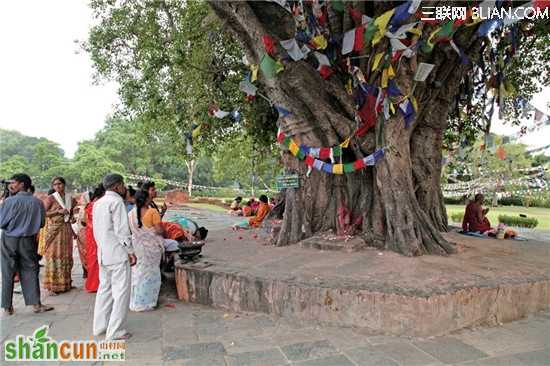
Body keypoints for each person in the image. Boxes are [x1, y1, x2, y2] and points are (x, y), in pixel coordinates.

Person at [0, 174, 53, 315]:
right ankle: (36, 304)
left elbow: (1, 222)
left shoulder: (9, 202)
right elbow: (41, 223)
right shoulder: (37, 202)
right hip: (28, 240)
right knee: (30, 270)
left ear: (22, 184)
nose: (12, 185)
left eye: (14, 183)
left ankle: (7, 307)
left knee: (7, 271)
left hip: (9, 239)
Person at [93, 174, 136, 340]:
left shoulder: (98, 203)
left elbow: (98, 230)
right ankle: (116, 331)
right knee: (121, 293)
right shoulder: (116, 202)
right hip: (117, 254)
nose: (124, 187)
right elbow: (122, 231)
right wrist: (131, 252)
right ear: (117, 186)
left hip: (103, 253)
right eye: (123, 184)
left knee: (104, 290)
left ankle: (100, 326)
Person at [128, 190, 164, 311]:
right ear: (147, 199)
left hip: (138, 247)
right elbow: (159, 230)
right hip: (151, 248)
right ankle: (147, 302)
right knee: (151, 273)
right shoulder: (152, 212)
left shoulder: (131, 214)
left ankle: (137, 300)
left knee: (139, 273)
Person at [43, 176, 77, 295]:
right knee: (54, 256)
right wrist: (58, 211)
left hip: (66, 230)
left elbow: (71, 214)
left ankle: (66, 283)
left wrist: (72, 219)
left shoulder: (70, 199)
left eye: (60, 184)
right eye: (55, 185)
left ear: (64, 185)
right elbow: (43, 213)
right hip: (54, 231)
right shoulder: (51, 198)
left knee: (66, 256)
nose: (58, 186)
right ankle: (52, 286)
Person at [85, 184, 105, 293]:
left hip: (91, 233)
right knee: (96, 259)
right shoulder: (97, 204)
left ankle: (94, 284)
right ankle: (95, 284)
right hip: (96, 234)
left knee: (93, 259)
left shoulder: (91, 204)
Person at [73, 192, 91, 279]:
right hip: (84, 233)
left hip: (83, 233)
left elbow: (83, 222)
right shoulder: (85, 208)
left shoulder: (85, 208)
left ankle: (87, 271)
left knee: (84, 253)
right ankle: (87, 271)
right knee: (86, 253)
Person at [37, 188, 55, 257]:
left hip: (45, 222)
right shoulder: (51, 200)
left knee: (45, 238)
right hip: (49, 222)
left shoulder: (45, 200)